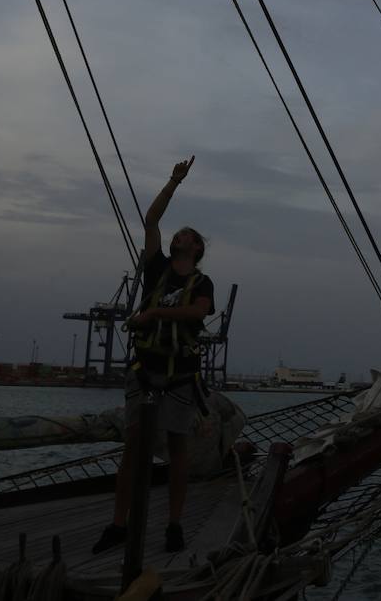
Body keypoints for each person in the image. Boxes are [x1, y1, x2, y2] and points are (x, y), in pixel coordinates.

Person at [94, 157, 215, 555]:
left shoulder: (202, 282)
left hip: (180, 373)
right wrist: (173, 182)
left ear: (196, 248)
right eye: (178, 232)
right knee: (134, 445)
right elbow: (151, 221)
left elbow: (198, 313)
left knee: (177, 447)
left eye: (188, 234)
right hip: (145, 369)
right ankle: (118, 523)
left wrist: (156, 313)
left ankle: (174, 525)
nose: (180, 234)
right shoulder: (156, 268)